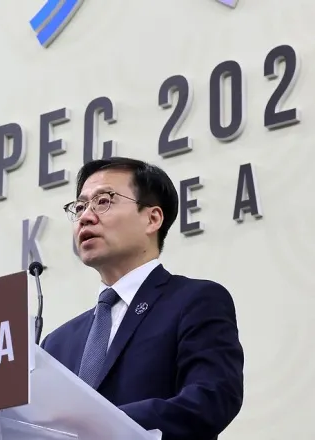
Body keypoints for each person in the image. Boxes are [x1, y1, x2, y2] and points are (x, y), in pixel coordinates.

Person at [40, 157, 244, 440]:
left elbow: (212, 398)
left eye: (103, 201)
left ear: (152, 219)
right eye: (80, 207)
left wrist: (102, 423)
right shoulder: (56, 344)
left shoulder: (195, 302)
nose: (86, 216)